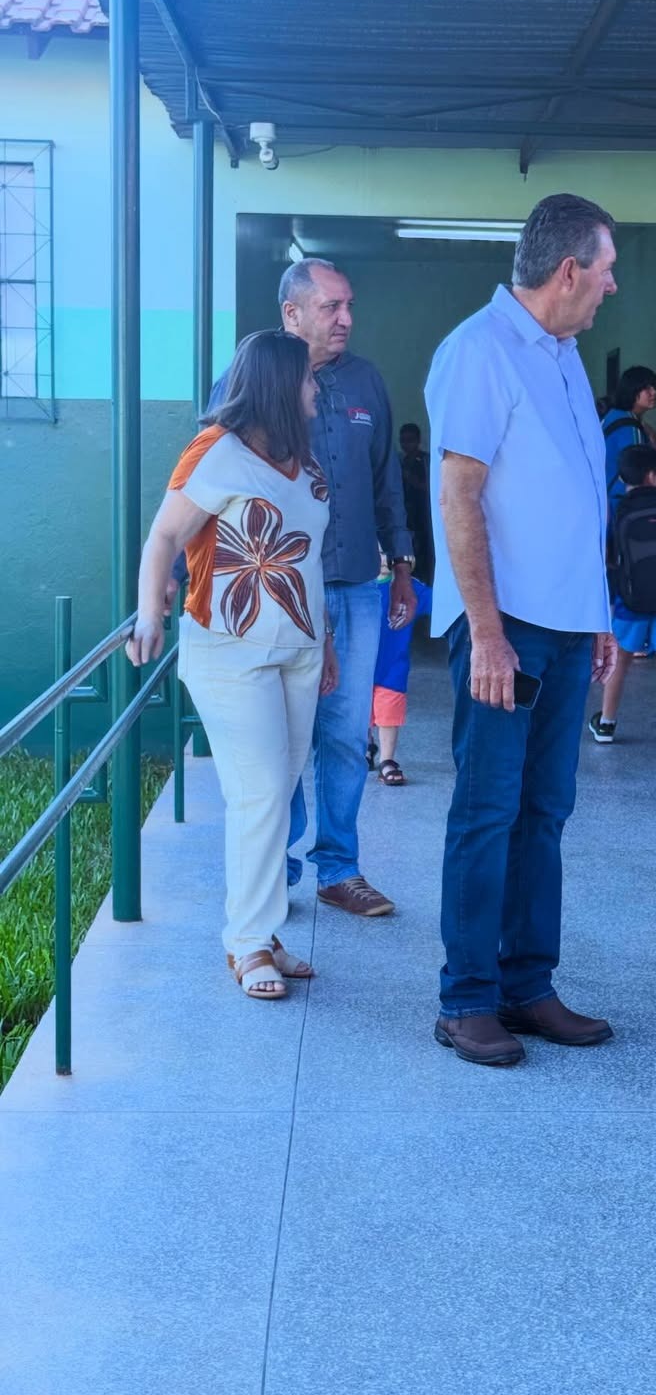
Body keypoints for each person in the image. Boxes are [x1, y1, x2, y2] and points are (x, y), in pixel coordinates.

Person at [425, 192, 619, 1068]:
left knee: (545, 812)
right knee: (488, 811)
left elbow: (574, 497)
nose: (611, 287)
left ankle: (527, 985)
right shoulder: (480, 350)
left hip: (568, 628)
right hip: (507, 631)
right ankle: (467, 999)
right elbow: (459, 495)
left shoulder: (565, 356)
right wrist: (487, 632)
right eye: (606, 271)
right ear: (569, 270)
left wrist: (597, 613)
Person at [126, 331, 337, 999]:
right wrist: (150, 611)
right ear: (278, 384)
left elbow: (309, 561)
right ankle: (246, 943)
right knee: (261, 793)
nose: (316, 388)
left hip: (300, 650)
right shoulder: (217, 450)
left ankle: (264, 931)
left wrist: (325, 644)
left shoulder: (302, 460)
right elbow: (165, 534)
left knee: (280, 790)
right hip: (230, 651)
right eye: (308, 378)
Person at [206, 259, 417, 919]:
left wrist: (402, 566)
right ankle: (276, 868)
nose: (346, 318)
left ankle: (339, 869)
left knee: (346, 733)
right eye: (331, 307)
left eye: (349, 305)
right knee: (280, 743)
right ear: (291, 313)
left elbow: (386, 480)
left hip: (354, 585)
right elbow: (208, 488)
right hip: (281, 595)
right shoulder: (244, 382)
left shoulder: (366, 382)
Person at [587, 443, 656, 759]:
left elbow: (608, 556)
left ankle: (606, 723)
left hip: (631, 600)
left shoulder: (619, 510)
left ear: (624, 478)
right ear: (653, 475)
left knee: (620, 660)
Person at [368, 562, 433, 787]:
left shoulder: (410, 588)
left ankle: (387, 760)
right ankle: (366, 747)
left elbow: (438, 602)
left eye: (390, 554)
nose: (384, 560)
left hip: (393, 668)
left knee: (388, 715)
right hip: (360, 664)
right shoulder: (358, 587)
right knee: (360, 712)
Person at [602, 365, 656, 512]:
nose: (654, 392)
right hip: (622, 502)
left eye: (655, 387)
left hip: (606, 499)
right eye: (647, 388)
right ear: (632, 390)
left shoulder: (612, 416)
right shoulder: (630, 426)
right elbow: (637, 472)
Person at [399, 421, 434, 584]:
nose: (406, 445)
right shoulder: (402, 461)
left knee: (426, 549)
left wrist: (410, 478)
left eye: (410, 440)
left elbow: (430, 487)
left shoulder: (425, 461)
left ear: (418, 441)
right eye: (403, 441)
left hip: (425, 513)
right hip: (408, 514)